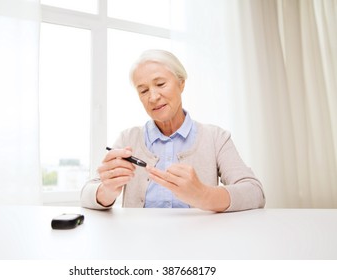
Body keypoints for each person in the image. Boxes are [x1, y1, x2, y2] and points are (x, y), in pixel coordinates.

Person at [81, 49, 265, 212]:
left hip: (199, 242)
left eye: (160, 84)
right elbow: (87, 193)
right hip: (139, 244)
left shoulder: (216, 138)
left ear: (181, 83)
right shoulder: (128, 139)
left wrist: (203, 194)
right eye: (143, 91)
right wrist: (107, 191)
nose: (153, 97)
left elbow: (255, 192)